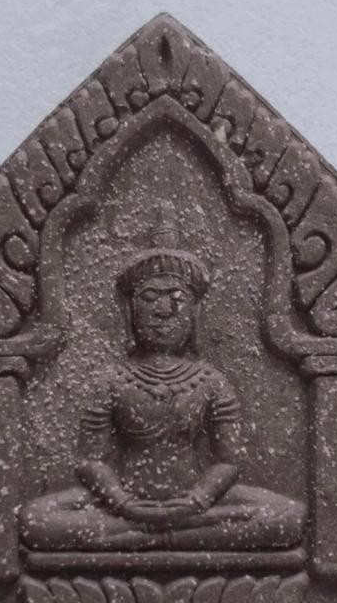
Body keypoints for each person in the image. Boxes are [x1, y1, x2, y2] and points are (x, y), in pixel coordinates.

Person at [20, 206, 305, 551]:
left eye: (178, 298)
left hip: (196, 502)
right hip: (124, 502)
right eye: (150, 298)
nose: (164, 310)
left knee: (290, 516)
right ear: (129, 310)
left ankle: (154, 536)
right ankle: (179, 537)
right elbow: (90, 460)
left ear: (195, 312)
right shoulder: (112, 380)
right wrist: (122, 501)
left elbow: (229, 460)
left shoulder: (210, 380)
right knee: (35, 519)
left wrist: (199, 499)